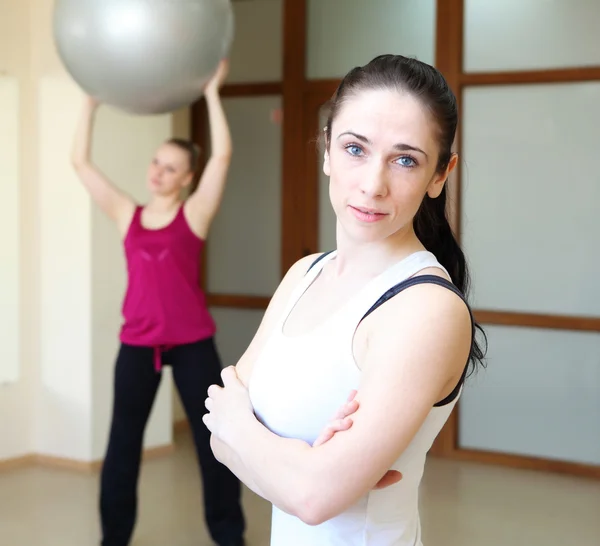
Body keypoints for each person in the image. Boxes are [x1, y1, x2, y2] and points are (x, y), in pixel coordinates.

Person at [202, 54, 487, 545]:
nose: (372, 185)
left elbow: (312, 497)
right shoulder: (303, 274)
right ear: (327, 150)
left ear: (440, 175)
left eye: (404, 160)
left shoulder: (427, 309)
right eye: (356, 148)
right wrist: (305, 464)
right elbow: (216, 433)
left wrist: (255, 439)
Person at [71, 60, 247, 546]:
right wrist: (89, 103)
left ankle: (229, 536)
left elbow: (223, 158)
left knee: (215, 444)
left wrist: (212, 92)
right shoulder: (128, 213)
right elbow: (81, 165)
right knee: (122, 445)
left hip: (192, 343)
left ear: (187, 177)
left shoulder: (194, 214)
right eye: (156, 162)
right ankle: (114, 538)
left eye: (171, 167)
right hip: (138, 344)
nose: (158, 172)